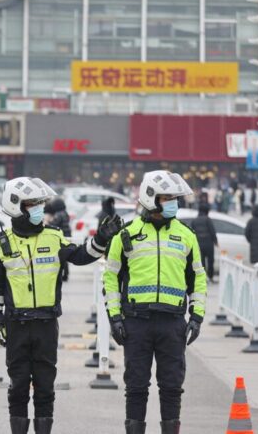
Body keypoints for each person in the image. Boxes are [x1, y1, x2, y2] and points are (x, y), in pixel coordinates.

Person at [0, 177, 121, 434]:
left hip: (47, 325)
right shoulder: (1, 243)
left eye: (40, 203)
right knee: (18, 386)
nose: (39, 209)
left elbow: (82, 256)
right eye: (32, 204)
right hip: (17, 325)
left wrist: (102, 238)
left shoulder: (55, 236)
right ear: (15, 206)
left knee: (46, 388)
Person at [103, 170, 207, 434]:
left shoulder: (186, 235)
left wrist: (196, 316)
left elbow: (198, 278)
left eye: (174, 197)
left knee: (172, 388)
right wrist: (115, 318)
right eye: (167, 197)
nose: (173, 202)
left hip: (173, 324)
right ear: (150, 198)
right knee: (136, 388)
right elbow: (111, 278)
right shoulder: (126, 235)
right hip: (136, 323)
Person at [190, 203, 218, 280]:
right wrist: (216, 241)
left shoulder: (194, 220)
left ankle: (202, 277)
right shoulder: (208, 219)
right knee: (210, 261)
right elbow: (212, 231)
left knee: (201, 262)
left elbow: (192, 232)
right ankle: (210, 277)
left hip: (198, 244)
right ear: (207, 211)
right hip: (208, 244)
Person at [47, 197, 72, 282]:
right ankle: (66, 274)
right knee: (66, 256)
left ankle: (63, 274)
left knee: (61, 256)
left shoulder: (59, 214)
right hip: (68, 235)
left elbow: (54, 223)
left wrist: (47, 222)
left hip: (62, 237)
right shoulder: (65, 213)